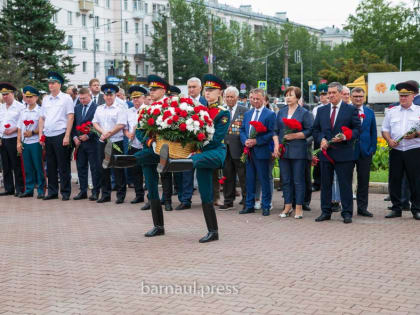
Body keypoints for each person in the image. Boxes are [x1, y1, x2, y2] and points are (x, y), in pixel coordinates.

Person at [157, 74, 230, 242]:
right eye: (207, 90)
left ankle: (171, 164)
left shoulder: (222, 113)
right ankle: (213, 231)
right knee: (205, 194)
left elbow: (216, 138)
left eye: (212, 90)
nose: (208, 93)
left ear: (220, 92)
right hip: (199, 154)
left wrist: (195, 148)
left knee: (193, 161)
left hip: (214, 153)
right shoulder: (200, 109)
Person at [312, 82, 361, 224]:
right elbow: (316, 130)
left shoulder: (350, 110)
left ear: (340, 93)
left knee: (344, 184)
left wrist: (346, 136)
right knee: (325, 184)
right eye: (329, 93)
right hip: (326, 153)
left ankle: (347, 213)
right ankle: (325, 212)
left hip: (344, 153)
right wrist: (321, 139)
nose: (331, 95)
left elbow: (357, 129)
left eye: (334, 92)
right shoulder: (321, 110)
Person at [382, 81, 420, 220]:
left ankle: (416, 209)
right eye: (401, 96)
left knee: (415, 180)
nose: (403, 98)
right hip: (396, 150)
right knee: (395, 180)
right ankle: (396, 208)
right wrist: (389, 140)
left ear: (413, 96)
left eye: (406, 95)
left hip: (414, 149)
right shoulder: (392, 111)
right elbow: (385, 129)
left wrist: (416, 135)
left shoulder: (419, 111)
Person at [275, 86, 313, 219]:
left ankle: (299, 207)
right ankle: (287, 205)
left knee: (298, 180)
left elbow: (310, 130)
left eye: (291, 95)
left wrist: (296, 136)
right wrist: (277, 146)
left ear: (297, 97)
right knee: (285, 179)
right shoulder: (281, 112)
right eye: (286, 95)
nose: (288, 97)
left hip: (298, 150)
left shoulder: (304, 112)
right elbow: (276, 130)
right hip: (283, 151)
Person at [239, 88, 276, 216]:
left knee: (264, 179)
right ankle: (249, 205)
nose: (255, 101)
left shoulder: (270, 114)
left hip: (262, 151)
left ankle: (266, 206)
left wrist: (257, 141)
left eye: (257, 99)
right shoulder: (248, 113)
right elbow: (242, 129)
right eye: (252, 99)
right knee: (250, 179)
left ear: (263, 100)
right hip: (249, 151)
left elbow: (272, 133)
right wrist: (245, 141)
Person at [38, 72, 74, 201]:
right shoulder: (46, 99)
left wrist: (67, 135)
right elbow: (42, 118)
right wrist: (41, 135)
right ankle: (52, 192)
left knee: (63, 165)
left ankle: (65, 192)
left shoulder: (66, 98)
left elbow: (70, 116)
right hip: (48, 135)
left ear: (59, 84)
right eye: (49, 83)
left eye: (53, 83)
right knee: (51, 165)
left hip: (60, 134)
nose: (50, 85)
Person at [176, 77, 208, 211]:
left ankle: (207, 199)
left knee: (203, 172)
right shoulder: (183, 103)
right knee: (186, 171)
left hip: (203, 142)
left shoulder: (206, 101)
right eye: (189, 87)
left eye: (194, 87)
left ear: (200, 88)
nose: (191, 89)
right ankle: (185, 199)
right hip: (187, 143)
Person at [92, 84, 127, 204]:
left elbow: (121, 124)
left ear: (115, 95)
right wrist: (103, 133)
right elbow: (95, 123)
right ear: (104, 96)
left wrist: (109, 133)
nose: (109, 97)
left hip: (117, 141)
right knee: (103, 168)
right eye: (107, 95)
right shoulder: (100, 108)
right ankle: (105, 194)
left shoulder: (120, 108)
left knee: (118, 169)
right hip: (103, 141)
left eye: (111, 95)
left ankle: (120, 195)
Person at [219, 86, 247, 210]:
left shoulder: (244, 110)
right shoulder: (221, 110)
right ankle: (228, 200)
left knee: (243, 176)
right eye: (227, 97)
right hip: (225, 149)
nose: (229, 99)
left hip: (239, 148)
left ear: (237, 98)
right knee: (227, 176)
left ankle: (247, 200)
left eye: (231, 97)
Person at [351, 87, 377, 217]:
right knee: (346, 180)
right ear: (351, 97)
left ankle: (362, 208)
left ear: (364, 97)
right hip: (349, 151)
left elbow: (373, 131)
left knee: (363, 181)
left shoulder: (370, 112)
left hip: (365, 152)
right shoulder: (346, 111)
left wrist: (372, 148)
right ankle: (347, 208)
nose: (358, 98)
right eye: (355, 96)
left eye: (360, 96)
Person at [71, 88, 100, 201]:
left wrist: (88, 135)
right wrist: (74, 137)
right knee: (81, 167)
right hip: (79, 144)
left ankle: (95, 192)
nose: (82, 100)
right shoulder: (77, 108)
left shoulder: (97, 108)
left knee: (94, 168)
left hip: (92, 143)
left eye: (84, 98)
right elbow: (73, 125)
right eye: (80, 98)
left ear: (90, 96)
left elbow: (98, 124)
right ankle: (82, 191)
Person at [17, 86, 45, 198]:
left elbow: (42, 127)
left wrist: (33, 132)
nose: (28, 99)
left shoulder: (40, 110)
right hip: (25, 143)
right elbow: (19, 128)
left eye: (31, 97)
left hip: (35, 142)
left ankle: (41, 190)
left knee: (38, 167)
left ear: (36, 97)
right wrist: (18, 142)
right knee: (27, 167)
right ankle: (29, 189)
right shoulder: (23, 111)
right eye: (27, 96)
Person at [0, 83, 25, 196]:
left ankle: (19, 188)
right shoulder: (1, 107)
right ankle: (8, 188)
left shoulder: (20, 107)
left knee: (16, 165)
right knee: (5, 165)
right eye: (3, 94)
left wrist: (14, 130)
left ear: (12, 94)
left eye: (7, 94)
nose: (5, 96)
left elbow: (23, 123)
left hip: (14, 138)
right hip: (3, 139)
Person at [124, 85, 147, 205]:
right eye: (134, 98)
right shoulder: (129, 111)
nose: (136, 100)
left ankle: (151, 196)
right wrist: (128, 134)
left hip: (146, 145)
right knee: (135, 171)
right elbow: (125, 127)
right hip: (133, 145)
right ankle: (139, 195)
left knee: (148, 171)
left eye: (138, 97)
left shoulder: (148, 109)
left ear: (143, 98)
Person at [312, 83, 329, 192]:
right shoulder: (316, 109)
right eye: (321, 95)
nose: (322, 97)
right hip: (319, 138)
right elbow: (314, 125)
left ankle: (325, 182)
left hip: (330, 138)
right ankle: (317, 182)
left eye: (324, 94)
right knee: (317, 161)